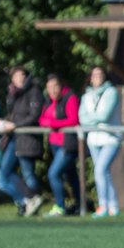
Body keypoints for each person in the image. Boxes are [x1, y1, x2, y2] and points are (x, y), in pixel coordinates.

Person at [0, 66, 46, 216]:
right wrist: (5, 121)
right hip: (15, 138)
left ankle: (33, 201)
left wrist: (15, 125)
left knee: (28, 173)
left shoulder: (34, 91)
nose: (20, 78)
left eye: (22, 75)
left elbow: (34, 115)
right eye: (16, 76)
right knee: (5, 172)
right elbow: (15, 115)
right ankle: (30, 199)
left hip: (27, 138)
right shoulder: (13, 93)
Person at [80, 65, 122, 218]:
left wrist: (90, 120)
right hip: (94, 138)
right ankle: (113, 206)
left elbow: (104, 116)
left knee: (100, 170)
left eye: (100, 74)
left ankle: (103, 205)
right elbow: (81, 117)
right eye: (94, 74)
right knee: (104, 173)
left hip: (110, 138)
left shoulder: (111, 92)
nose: (97, 77)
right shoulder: (86, 96)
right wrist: (92, 121)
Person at [39, 74, 82, 216]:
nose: (52, 90)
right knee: (70, 176)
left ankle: (60, 206)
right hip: (55, 143)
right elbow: (42, 119)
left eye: (55, 86)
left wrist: (52, 124)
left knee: (53, 173)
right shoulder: (48, 101)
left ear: (61, 86)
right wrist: (47, 123)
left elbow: (73, 120)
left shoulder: (70, 98)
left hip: (68, 144)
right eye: (49, 87)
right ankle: (80, 204)